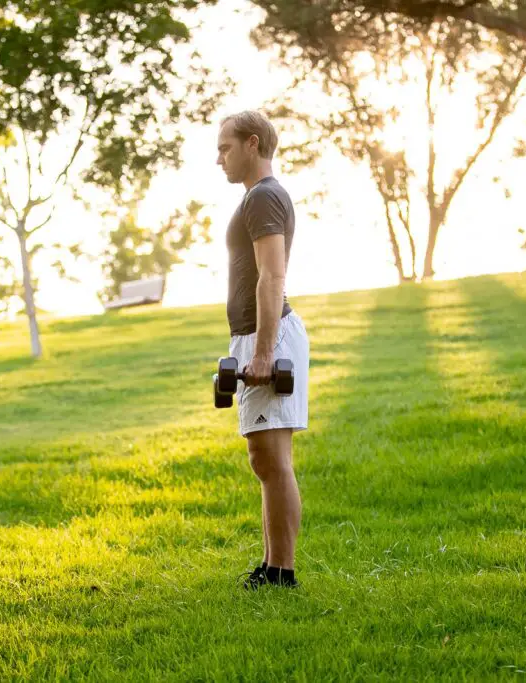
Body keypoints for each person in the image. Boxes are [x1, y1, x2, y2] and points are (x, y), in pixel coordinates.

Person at [216, 110, 310, 589]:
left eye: (226, 148)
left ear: (252, 144)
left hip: (266, 338)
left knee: (272, 460)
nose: (220, 159)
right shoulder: (260, 197)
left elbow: (273, 276)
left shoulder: (264, 197)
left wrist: (263, 353)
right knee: (266, 460)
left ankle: (281, 573)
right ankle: (273, 566)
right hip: (257, 335)